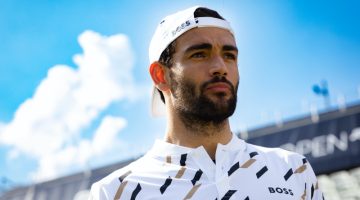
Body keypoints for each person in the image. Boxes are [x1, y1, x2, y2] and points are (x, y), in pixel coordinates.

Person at [89, 6, 324, 200]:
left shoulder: (293, 170)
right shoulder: (115, 192)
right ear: (161, 76)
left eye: (229, 55)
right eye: (199, 54)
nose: (220, 67)